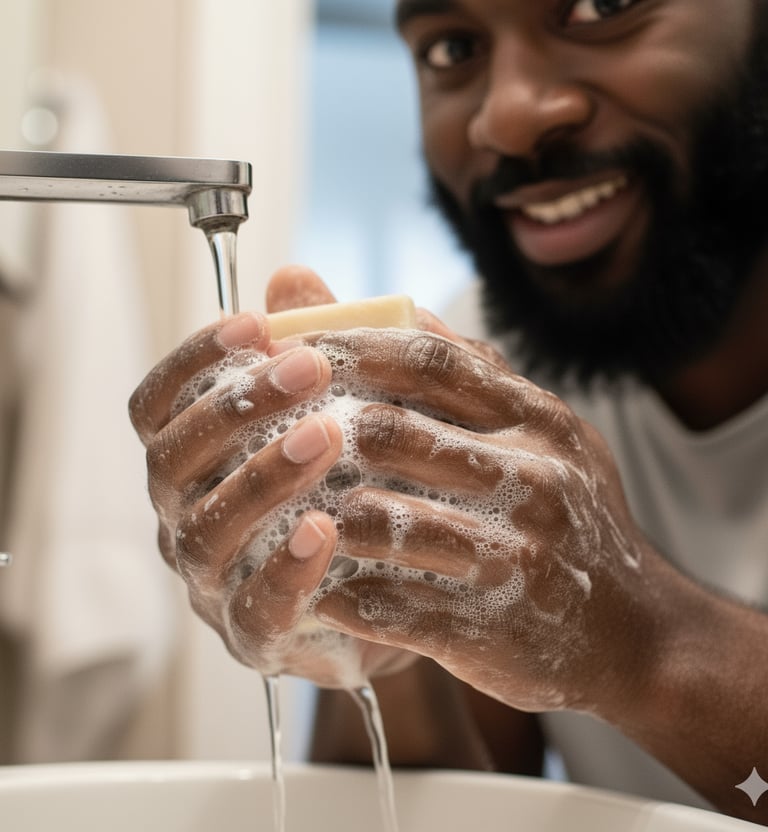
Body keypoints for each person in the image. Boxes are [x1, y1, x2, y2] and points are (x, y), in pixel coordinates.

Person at [129, 0, 768, 824]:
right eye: (453, 47)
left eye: (602, 7)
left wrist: (645, 640)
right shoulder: (491, 367)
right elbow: (435, 807)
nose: (506, 116)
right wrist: (376, 621)